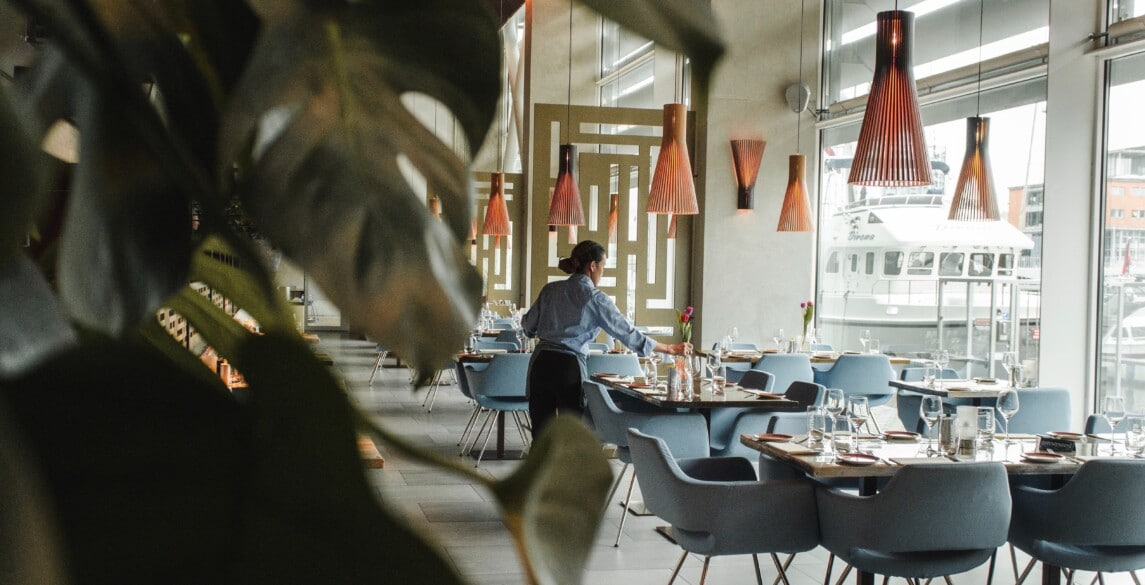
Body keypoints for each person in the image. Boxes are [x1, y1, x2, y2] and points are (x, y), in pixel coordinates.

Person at [521, 240, 691, 439]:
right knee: (573, 435)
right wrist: (668, 349)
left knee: (540, 433)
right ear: (592, 266)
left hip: (541, 363)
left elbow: (527, 326)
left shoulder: (550, 290)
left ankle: (540, 470)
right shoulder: (595, 298)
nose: (602, 272)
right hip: (568, 367)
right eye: (602, 266)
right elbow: (625, 332)